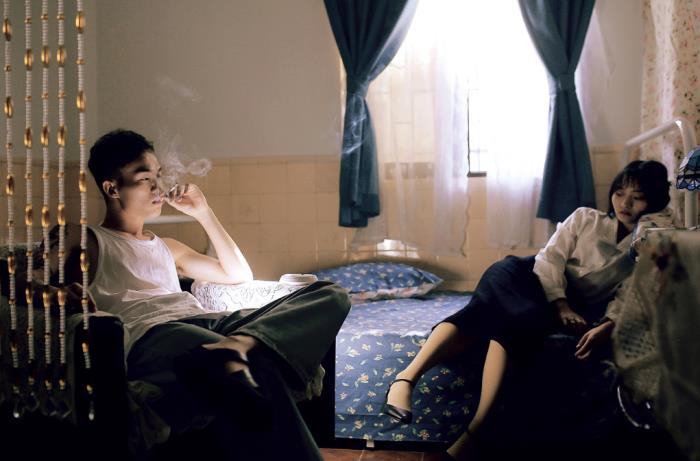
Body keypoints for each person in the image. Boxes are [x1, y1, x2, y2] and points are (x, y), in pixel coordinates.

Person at [55, 129, 350, 460]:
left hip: (207, 323)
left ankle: (235, 347)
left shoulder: (167, 246)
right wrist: (59, 291)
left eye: (159, 176)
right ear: (112, 188)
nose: (158, 187)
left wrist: (203, 213)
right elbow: (34, 280)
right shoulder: (88, 240)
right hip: (152, 333)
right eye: (145, 179)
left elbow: (238, 274)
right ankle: (232, 356)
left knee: (330, 293)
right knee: (261, 369)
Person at [381, 160, 671, 460]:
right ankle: (414, 383)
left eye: (637, 197)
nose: (624, 203)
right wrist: (560, 304)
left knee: (499, 319)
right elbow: (550, 259)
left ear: (653, 200)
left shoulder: (648, 242)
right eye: (620, 193)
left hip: (568, 305)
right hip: (530, 277)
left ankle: (439, 404)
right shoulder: (585, 218)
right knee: (502, 297)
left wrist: (608, 324)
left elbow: (633, 291)